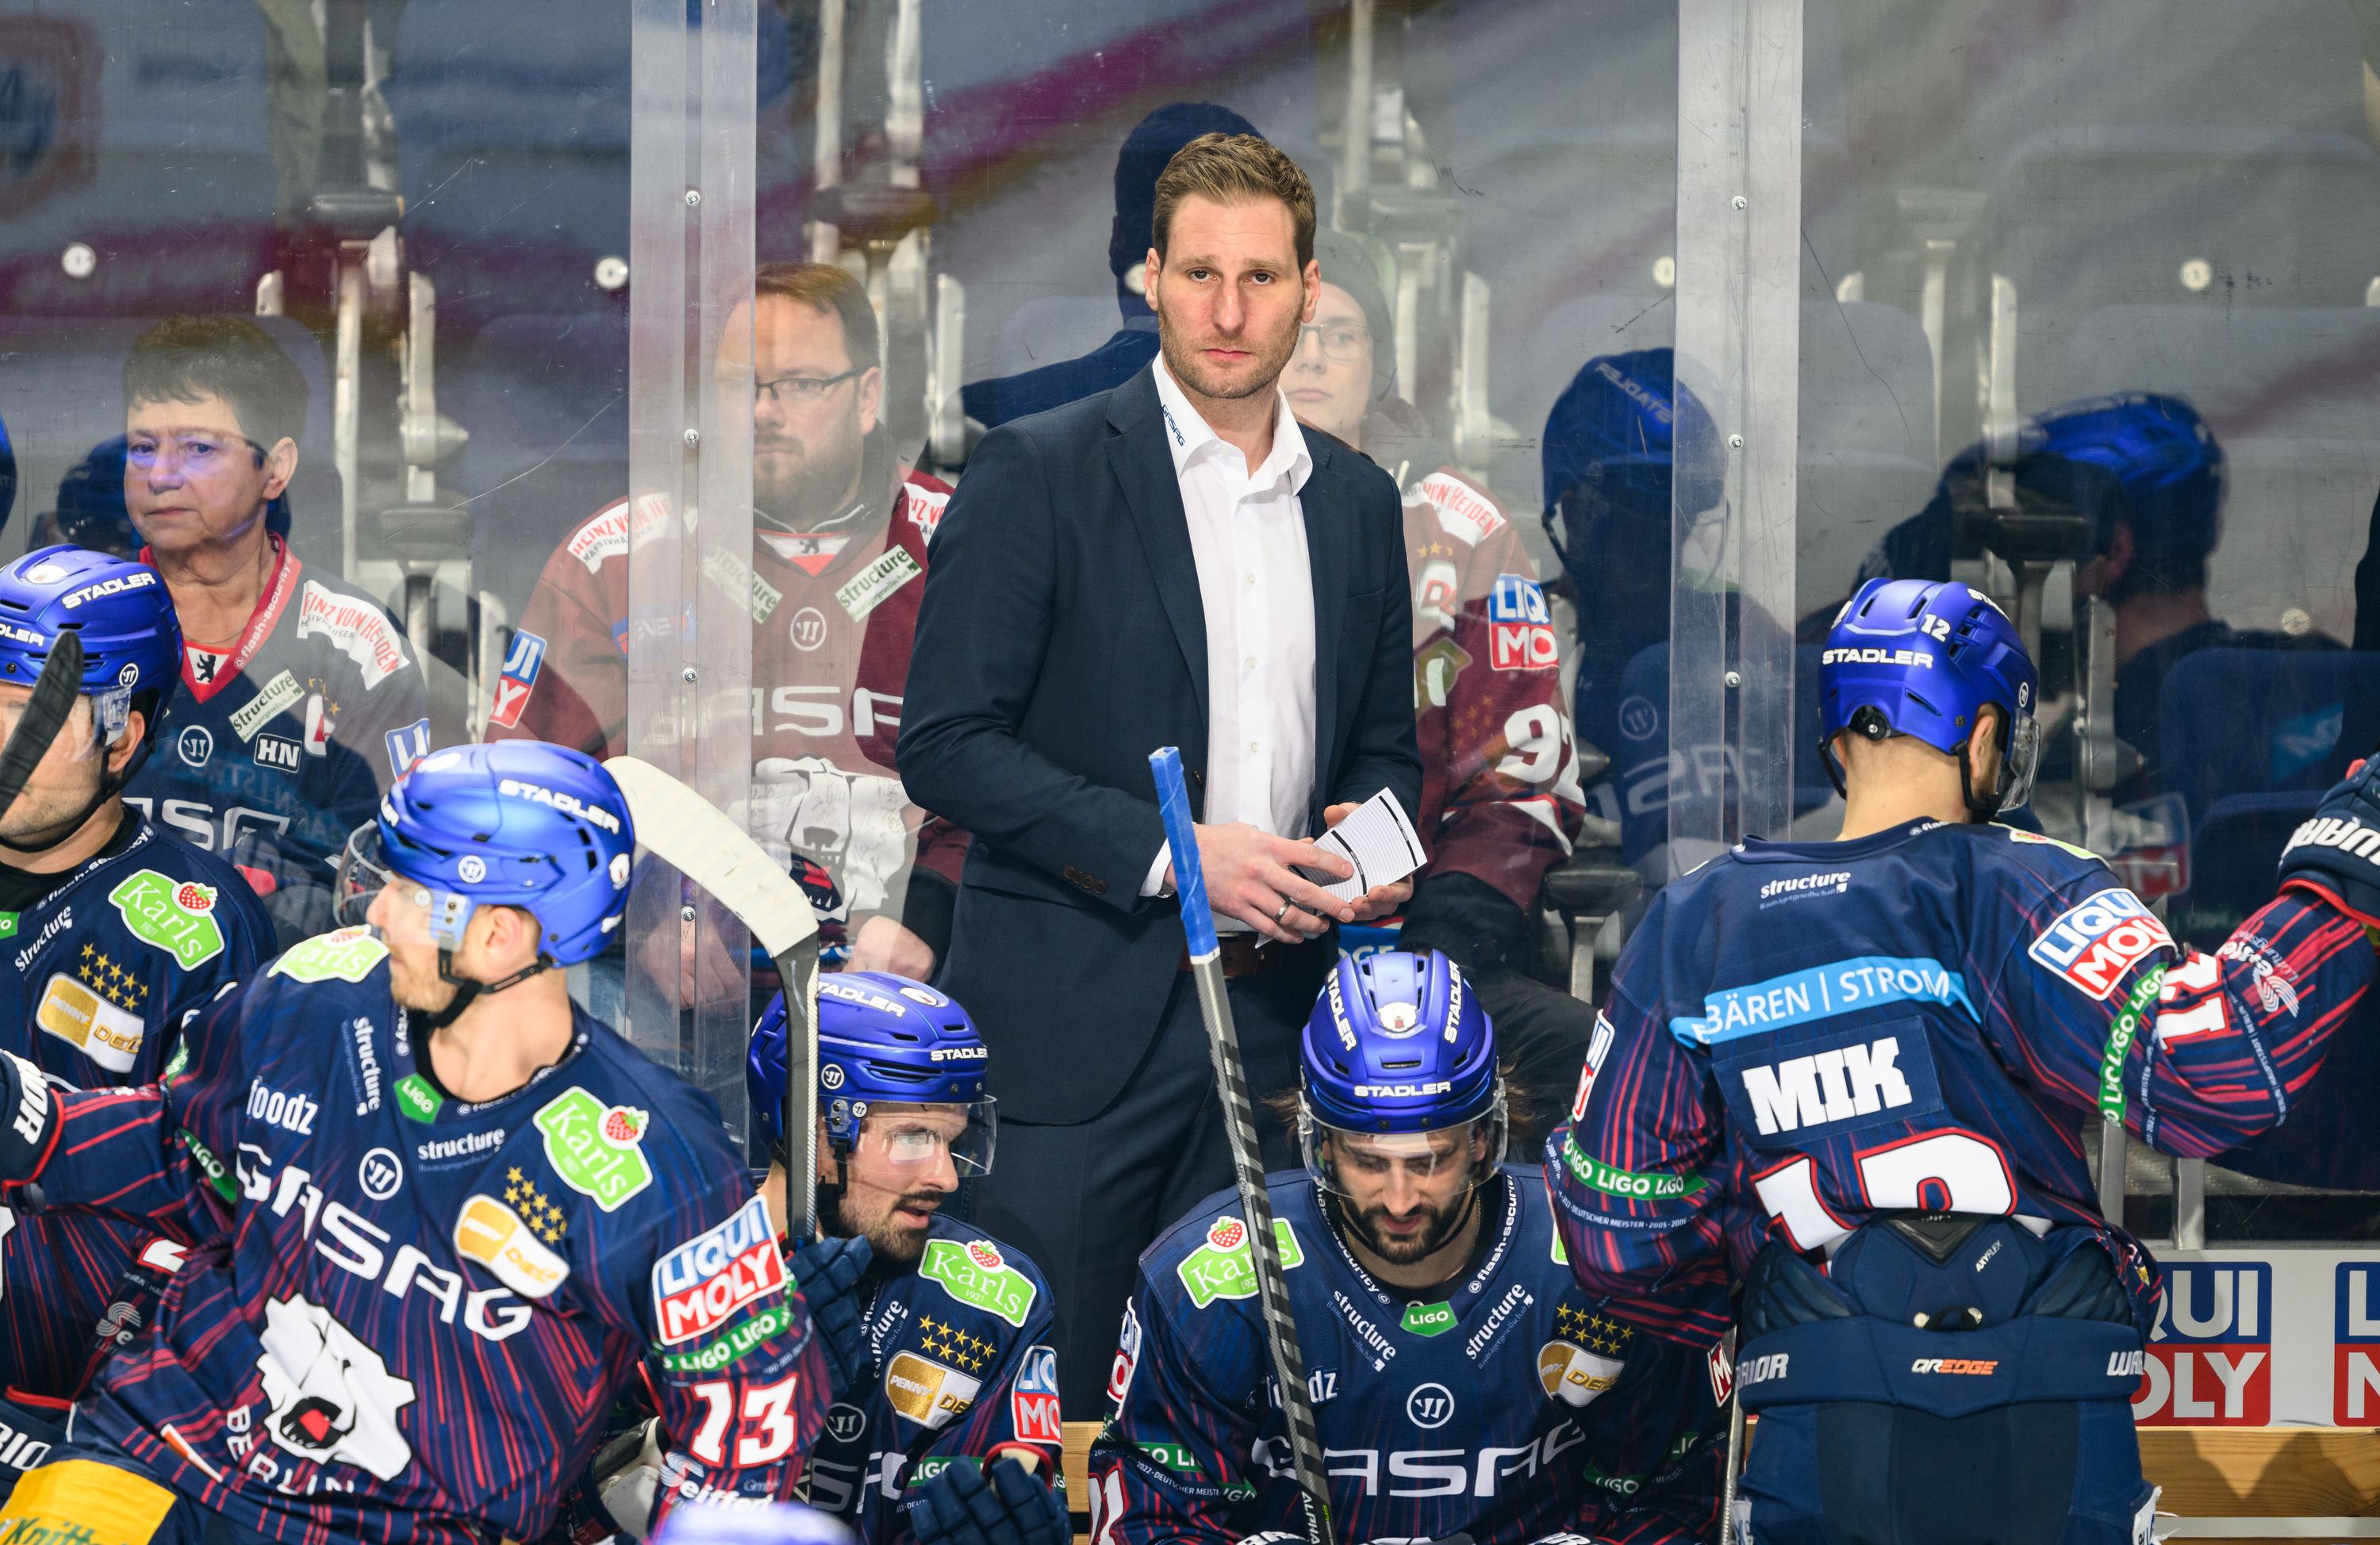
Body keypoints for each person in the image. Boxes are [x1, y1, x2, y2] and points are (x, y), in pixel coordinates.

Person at [1549, 577, 2380, 1543]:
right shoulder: (2017, 882)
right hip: (2044, 1416)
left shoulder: (1701, 917)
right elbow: (2211, 1066)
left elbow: (1614, 1224)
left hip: (1815, 1422)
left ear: (1840, 735)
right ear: (1985, 733)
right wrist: (2350, 856)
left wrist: (1777, 1267)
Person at [0, 742, 841, 1540]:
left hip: (406, 1524)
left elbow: (755, 1409)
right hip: (167, 1448)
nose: (376, 908)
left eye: (409, 889)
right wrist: (28, 1119)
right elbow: (186, 1157)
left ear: (500, 937)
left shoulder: (659, 1159)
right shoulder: (314, 992)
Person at [900, 132, 1422, 1416]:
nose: (1229, 310)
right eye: (1199, 272)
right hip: (1074, 1028)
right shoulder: (1038, 467)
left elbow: (1378, 753)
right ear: (1148, 278)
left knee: (1250, 1418)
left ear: (1309, 287)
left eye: (1260, 275)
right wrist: (1181, 856)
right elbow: (946, 743)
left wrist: (1375, 855)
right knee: (1051, 1417)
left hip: (1285, 1025)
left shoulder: (1355, 500)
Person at [1088, 949, 1722, 1544]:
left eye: (1430, 1161)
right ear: (1321, 1143)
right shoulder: (1213, 1284)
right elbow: (1153, 1517)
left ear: (1481, 1139)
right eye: (1367, 1162)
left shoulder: (1595, 1258)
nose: (1398, 1201)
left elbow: (1674, 1497)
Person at [496, 261, 962, 980]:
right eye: (738, 386)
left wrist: (935, 919)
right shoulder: (612, 560)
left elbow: (1028, 784)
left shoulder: (963, 543)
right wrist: (640, 910)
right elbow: (523, 799)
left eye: (802, 385)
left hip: (906, 984)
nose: (764, 412)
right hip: (663, 990)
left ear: (867, 396)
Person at [1286, 229, 1593, 1144]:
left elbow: (1525, 776)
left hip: (1424, 946)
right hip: (1244, 950)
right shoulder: (1193, 507)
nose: (1313, 354)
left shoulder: (1462, 529)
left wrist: (1439, 949)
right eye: (1298, 330)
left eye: (1341, 334)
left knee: (1598, 1064)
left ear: (1379, 365)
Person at [0, 546, 274, 1493]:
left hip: (72, 1413)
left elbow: (217, 1203)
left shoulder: (198, 923)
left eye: (25, 720)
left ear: (124, 738)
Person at [1853, 393, 2340, 806]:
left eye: (2027, 546)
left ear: (2114, 552)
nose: (2005, 578)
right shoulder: (2319, 679)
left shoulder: (2098, 744)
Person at [118, 315, 431, 949]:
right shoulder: (76, 623)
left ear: (275, 469)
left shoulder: (358, 647)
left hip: (287, 999)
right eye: (142, 446)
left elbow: (397, 880)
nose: (159, 475)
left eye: (198, 448)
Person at [743, 974, 1069, 1545]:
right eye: (913, 1138)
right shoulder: (672, 1275)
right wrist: (753, 1386)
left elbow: (1008, 1478)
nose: (944, 1177)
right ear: (813, 1128)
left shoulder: (995, 1296)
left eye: (954, 1140)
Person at [958, 102, 1259, 431]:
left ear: (1118, 243)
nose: (1229, 316)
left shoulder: (979, 421)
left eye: (1261, 276)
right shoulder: (1310, 421)